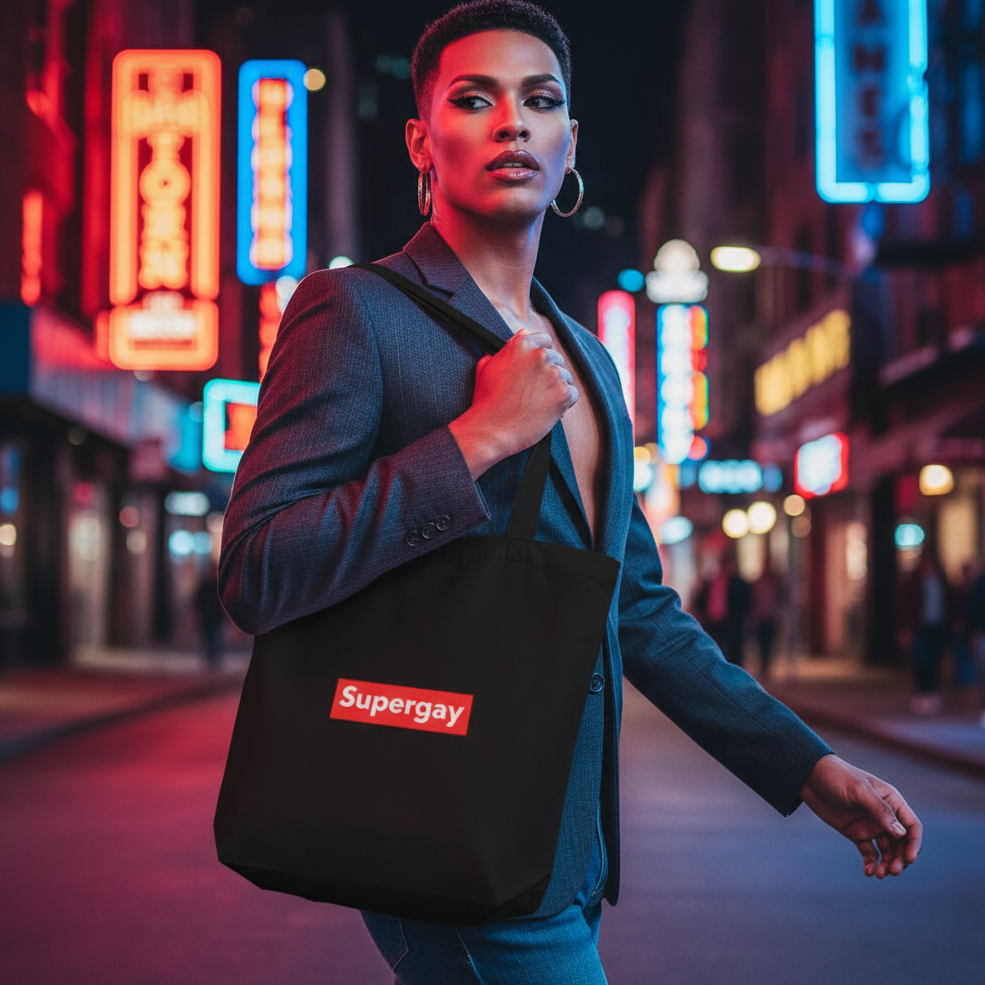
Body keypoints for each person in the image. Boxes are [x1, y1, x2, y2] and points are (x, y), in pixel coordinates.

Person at [218, 4, 922, 982]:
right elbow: (258, 566)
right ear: (423, 139)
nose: (512, 122)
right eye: (475, 98)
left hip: (559, 855)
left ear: (569, 141)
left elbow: (636, 608)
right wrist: (476, 440)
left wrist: (803, 765)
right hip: (442, 831)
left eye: (539, 101)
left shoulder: (590, 360)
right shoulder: (356, 311)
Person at [752, 554, 781, 680]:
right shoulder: (758, 581)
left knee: (769, 644)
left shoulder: (776, 581)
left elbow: (782, 597)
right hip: (760, 617)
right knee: (760, 644)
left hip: (771, 616)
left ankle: (767, 667)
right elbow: (753, 599)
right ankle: (762, 667)